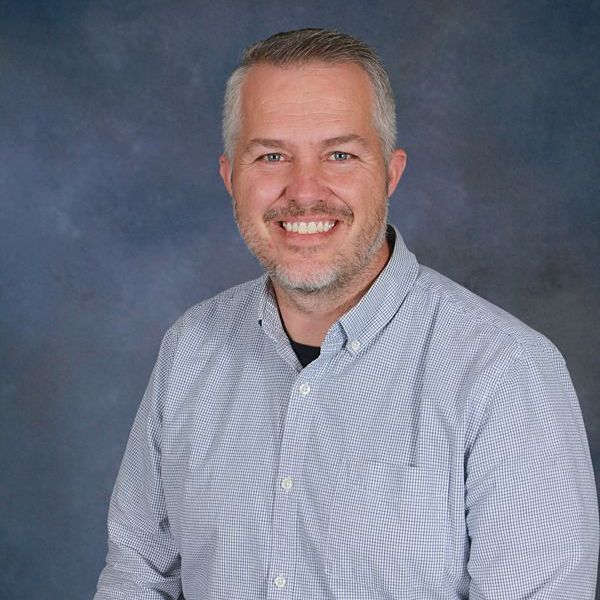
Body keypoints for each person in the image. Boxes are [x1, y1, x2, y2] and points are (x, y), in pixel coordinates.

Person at [94, 28, 599, 599]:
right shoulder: (192, 348)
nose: (304, 191)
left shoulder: (506, 370)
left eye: (340, 154)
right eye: (272, 156)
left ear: (390, 173)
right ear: (231, 177)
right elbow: (138, 571)